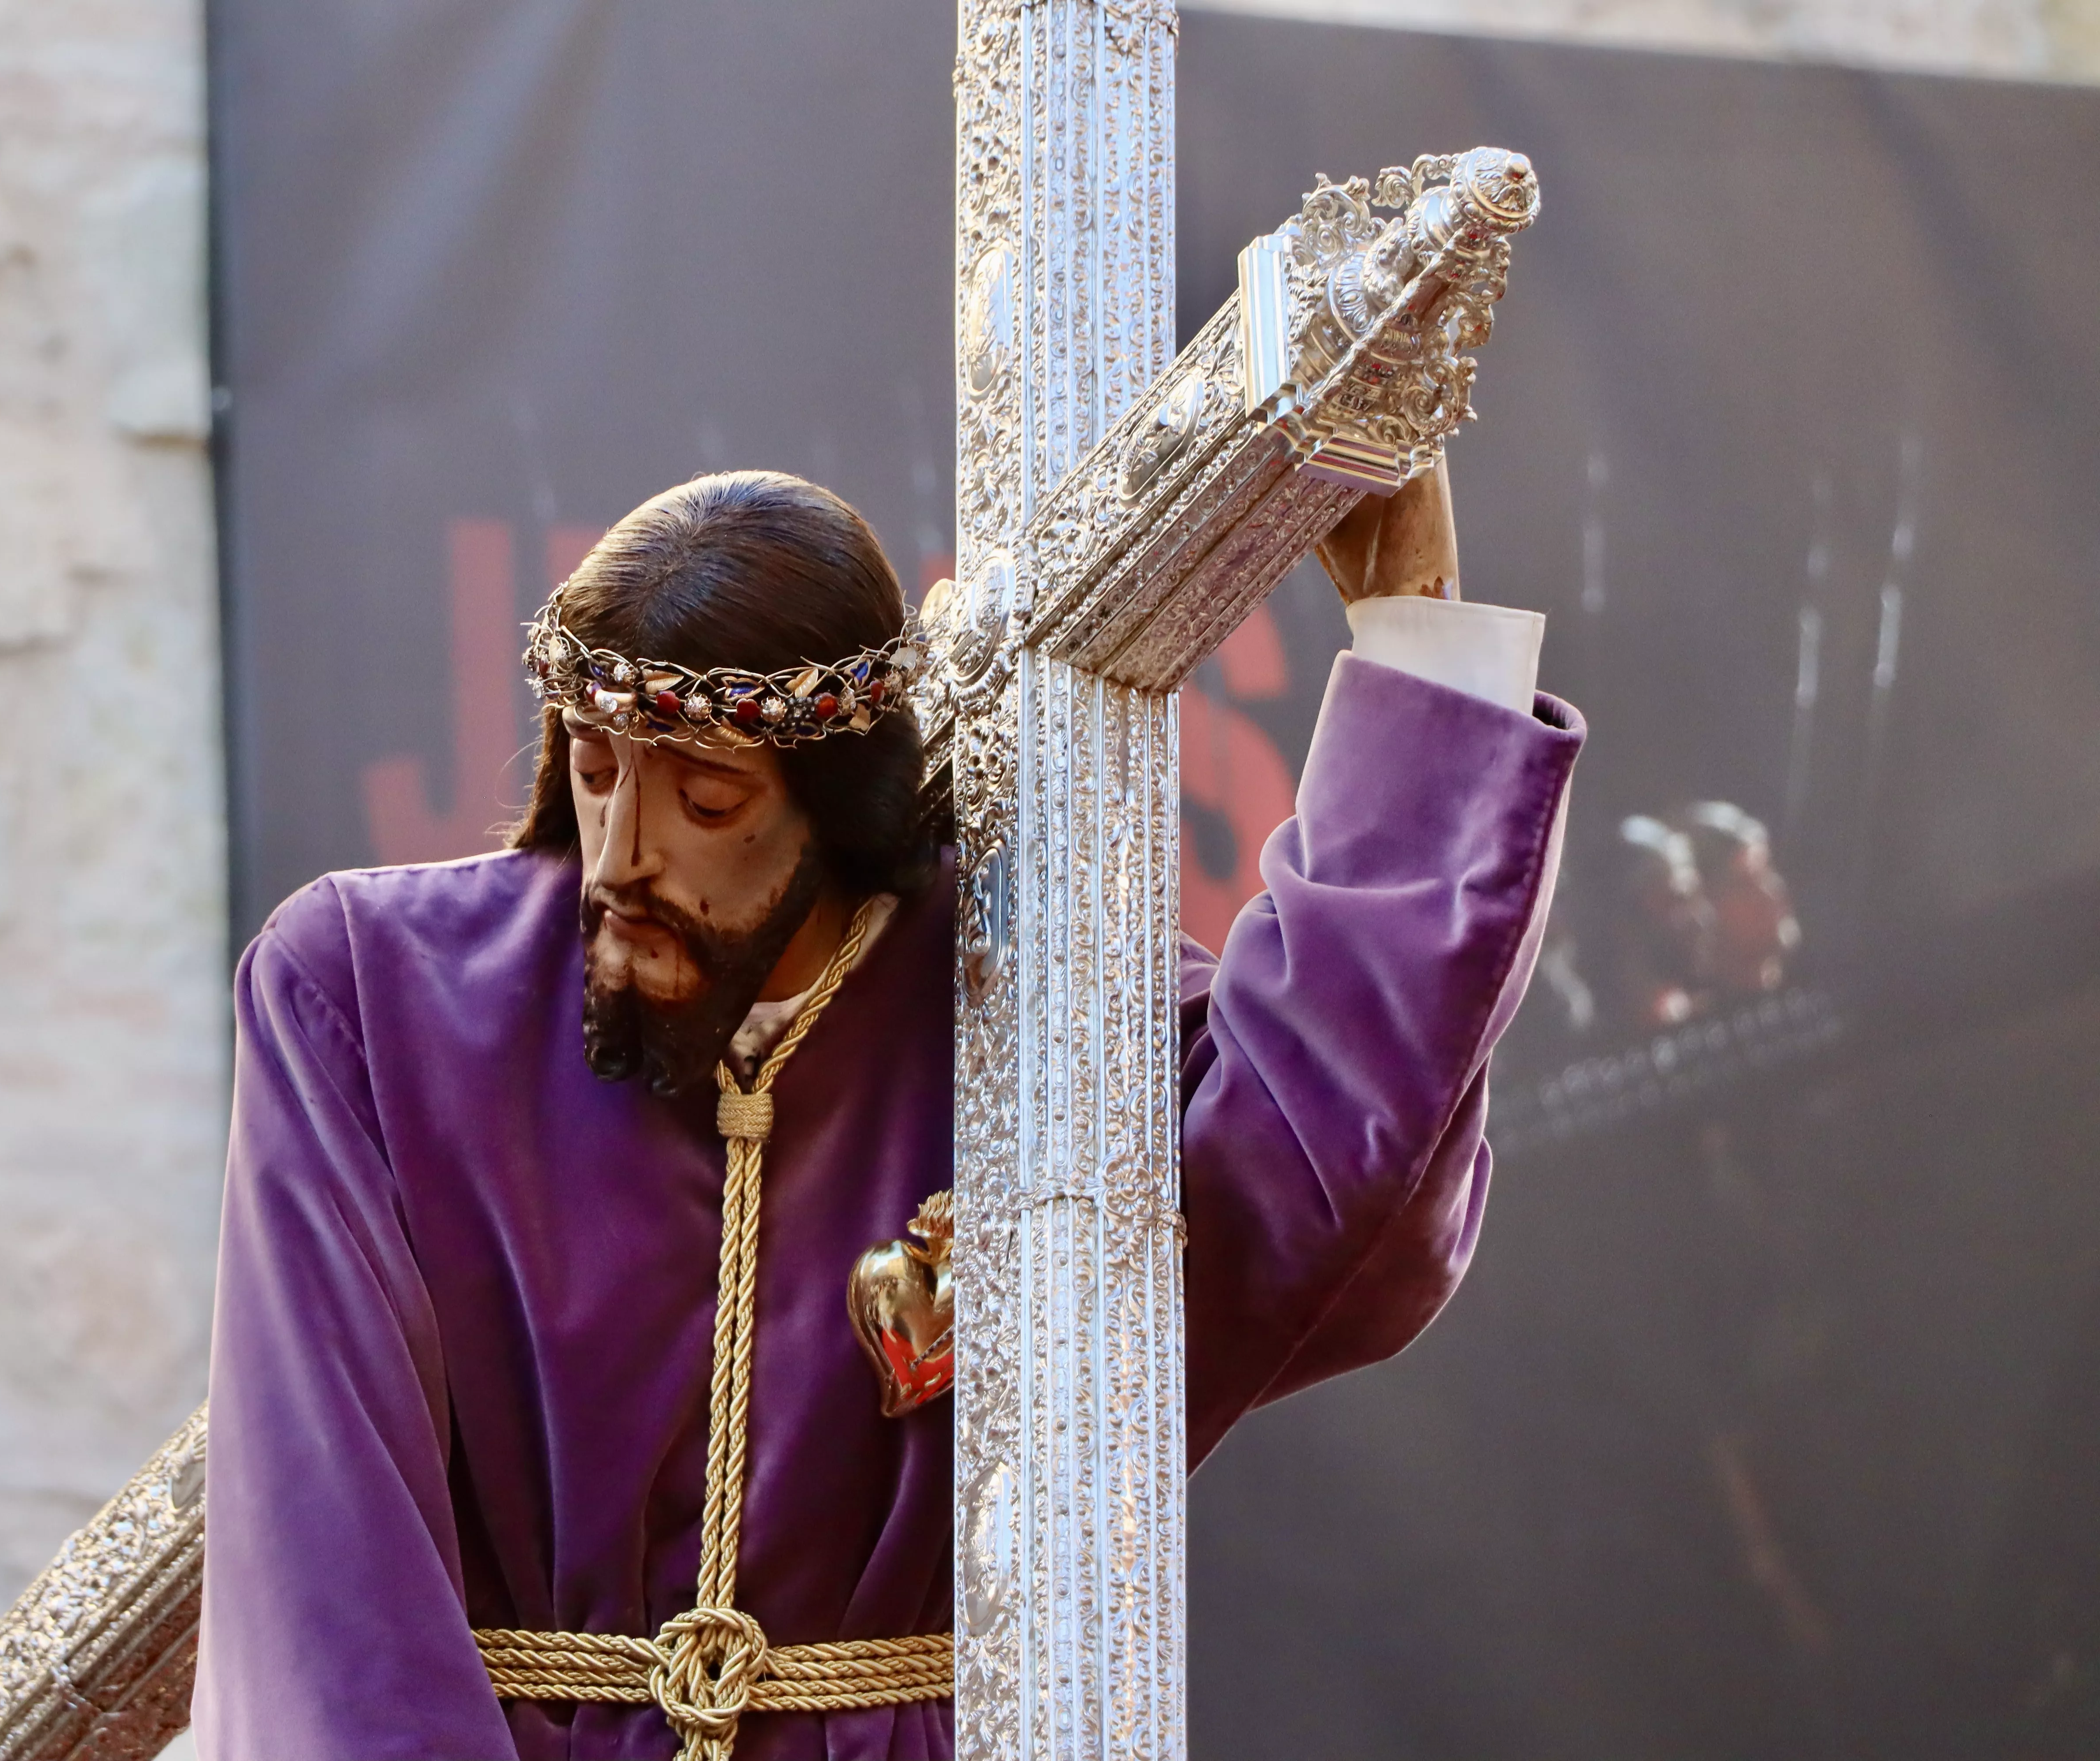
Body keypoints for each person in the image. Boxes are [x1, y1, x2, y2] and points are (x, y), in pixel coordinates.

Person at [194, 467, 1584, 1760]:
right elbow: (330, 1573)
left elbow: (1334, 1176)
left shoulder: (1033, 1023)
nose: (620, 857)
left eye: (708, 796)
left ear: (836, 804)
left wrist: (1422, 639)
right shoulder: (372, 998)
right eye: (598, 771)